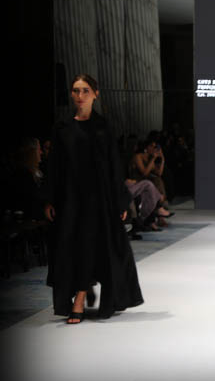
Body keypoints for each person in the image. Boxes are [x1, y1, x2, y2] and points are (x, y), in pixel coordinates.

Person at [43, 74, 143, 324]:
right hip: (69, 199)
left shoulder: (103, 127)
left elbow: (114, 165)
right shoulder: (62, 128)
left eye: (85, 90)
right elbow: (54, 165)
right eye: (76, 91)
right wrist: (49, 199)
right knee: (69, 248)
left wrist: (120, 201)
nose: (80, 96)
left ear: (95, 94)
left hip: (98, 200)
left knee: (90, 246)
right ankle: (82, 289)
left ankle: (79, 298)